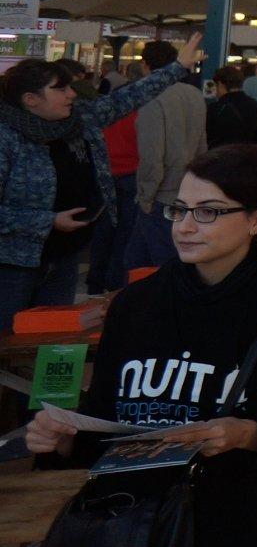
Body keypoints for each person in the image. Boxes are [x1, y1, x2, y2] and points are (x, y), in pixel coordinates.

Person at [23, 144, 257, 547]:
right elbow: (104, 422)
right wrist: (59, 440)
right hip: (126, 533)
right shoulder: (136, 305)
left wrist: (247, 434)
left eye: (209, 212)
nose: (186, 226)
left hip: (233, 532)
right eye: (180, 209)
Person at [0, 36, 203, 331]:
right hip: (13, 262)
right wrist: (47, 221)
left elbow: (128, 98)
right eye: (60, 89)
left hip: (65, 254)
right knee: (9, 334)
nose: (72, 94)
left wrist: (178, 67)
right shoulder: (7, 138)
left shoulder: (78, 120)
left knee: (55, 335)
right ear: (30, 99)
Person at [127, 39, 210, 272]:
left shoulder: (151, 98)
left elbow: (152, 154)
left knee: (145, 267)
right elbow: (202, 144)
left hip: (160, 196)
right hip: (186, 190)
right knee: (154, 262)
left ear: (145, 65)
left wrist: (145, 196)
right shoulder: (194, 94)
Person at [86, 104, 138, 296]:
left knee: (103, 231)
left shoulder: (103, 115)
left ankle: (95, 282)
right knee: (126, 231)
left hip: (106, 175)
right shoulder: (138, 114)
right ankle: (115, 282)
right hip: (131, 174)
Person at [206, 65, 257, 148]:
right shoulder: (253, 104)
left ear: (220, 84)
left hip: (221, 155)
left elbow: (208, 137)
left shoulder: (216, 108)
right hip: (248, 155)